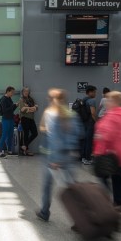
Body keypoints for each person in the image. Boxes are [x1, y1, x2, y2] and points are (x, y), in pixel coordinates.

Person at [35, 88, 82, 222]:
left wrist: (55, 160)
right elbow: (78, 133)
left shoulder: (51, 114)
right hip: (70, 156)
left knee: (48, 185)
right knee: (71, 187)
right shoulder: (72, 114)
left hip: (53, 156)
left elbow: (53, 137)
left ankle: (45, 212)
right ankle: (81, 218)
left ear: (51, 99)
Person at [92, 91, 121, 213]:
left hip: (110, 154)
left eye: (108, 100)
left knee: (102, 176)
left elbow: (106, 134)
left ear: (114, 102)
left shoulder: (112, 115)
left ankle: (106, 202)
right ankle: (118, 204)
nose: (107, 103)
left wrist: (98, 137)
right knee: (118, 178)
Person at [75, 86, 99, 165]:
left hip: (83, 123)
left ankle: (82, 157)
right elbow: (93, 113)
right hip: (90, 123)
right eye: (94, 92)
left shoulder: (83, 100)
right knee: (88, 141)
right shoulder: (92, 100)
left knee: (83, 141)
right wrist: (97, 122)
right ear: (90, 92)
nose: (95, 93)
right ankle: (87, 158)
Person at [17, 87, 39, 156]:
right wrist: (31, 108)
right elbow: (22, 110)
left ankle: (24, 146)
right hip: (24, 119)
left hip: (31, 119)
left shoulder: (31, 99)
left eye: (27, 91)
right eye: (25, 91)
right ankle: (25, 150)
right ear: (23, 92)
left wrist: (28, 108)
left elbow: (36, 107)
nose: (26, 92)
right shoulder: (21, 100)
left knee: (35, 133)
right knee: (25, 134)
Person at [0, 87, 17, 158]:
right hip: (6, 119)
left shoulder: (9, 99)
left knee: (10, 135)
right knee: (4, 135)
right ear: (8, 91)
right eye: (12, 92)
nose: (13, 94)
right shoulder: (3, 99)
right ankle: (0, 151)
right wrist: (13, 105)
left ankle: (9, 150)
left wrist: (15, 106)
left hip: (11, 118)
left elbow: (11, 109)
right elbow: (5, 110)